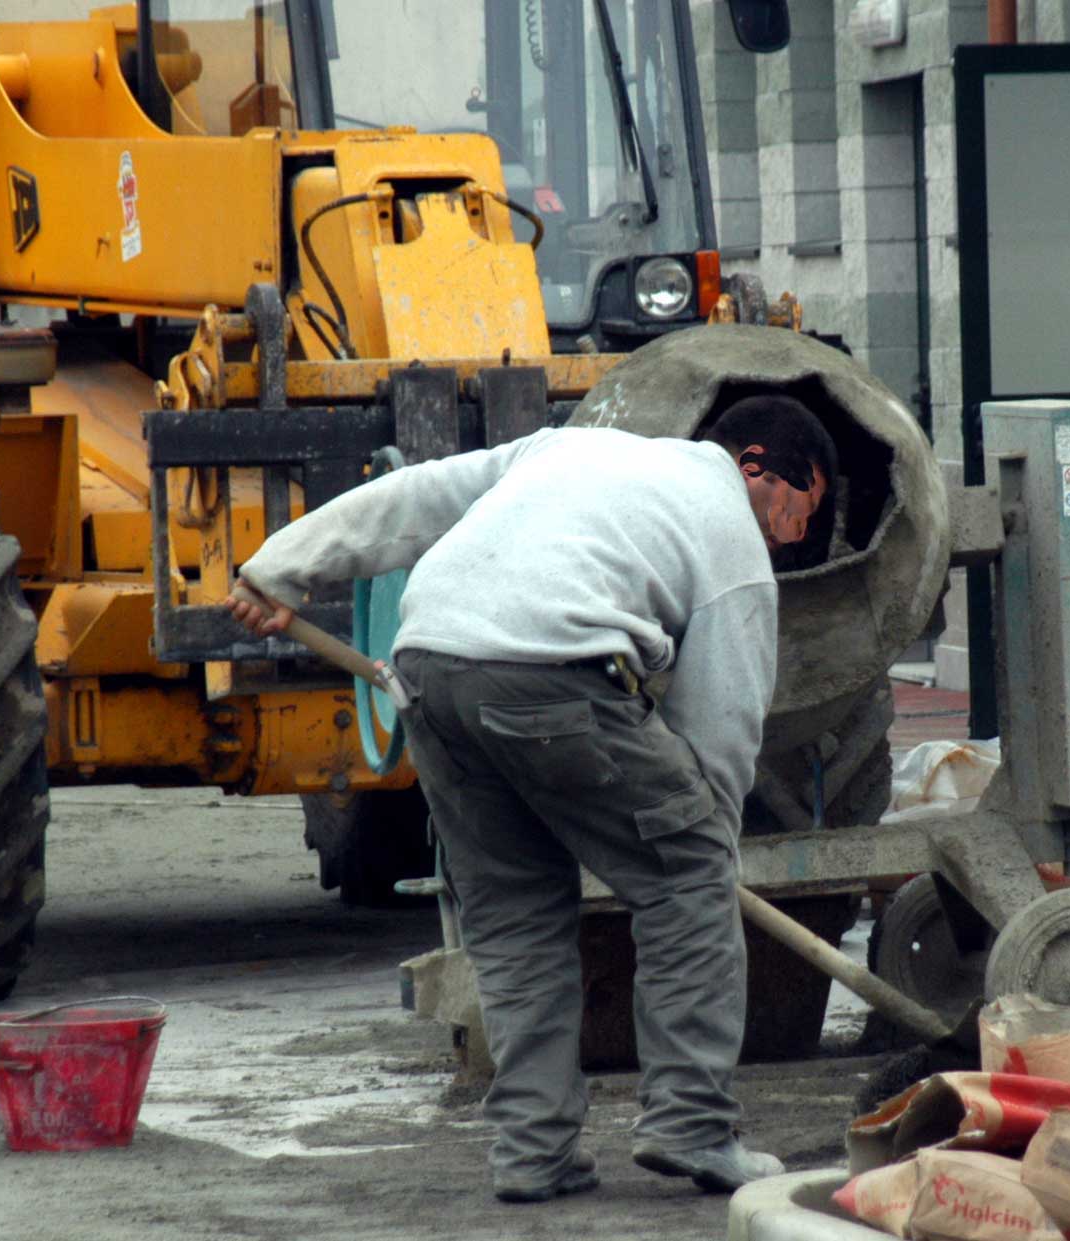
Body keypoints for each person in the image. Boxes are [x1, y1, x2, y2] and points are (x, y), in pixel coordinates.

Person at [226, 395, 837, 1204]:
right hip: (549, 669)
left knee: (516, 916)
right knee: (687, 871)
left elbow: (414, 498)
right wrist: (700, 857)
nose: (792, 536)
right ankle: (690, 1124)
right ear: (755, 467)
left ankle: (533, 1152)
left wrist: (282, 564)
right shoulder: (729, 532)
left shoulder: (567, 449)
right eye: (802, 509)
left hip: (429, 668)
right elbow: (718, 729)